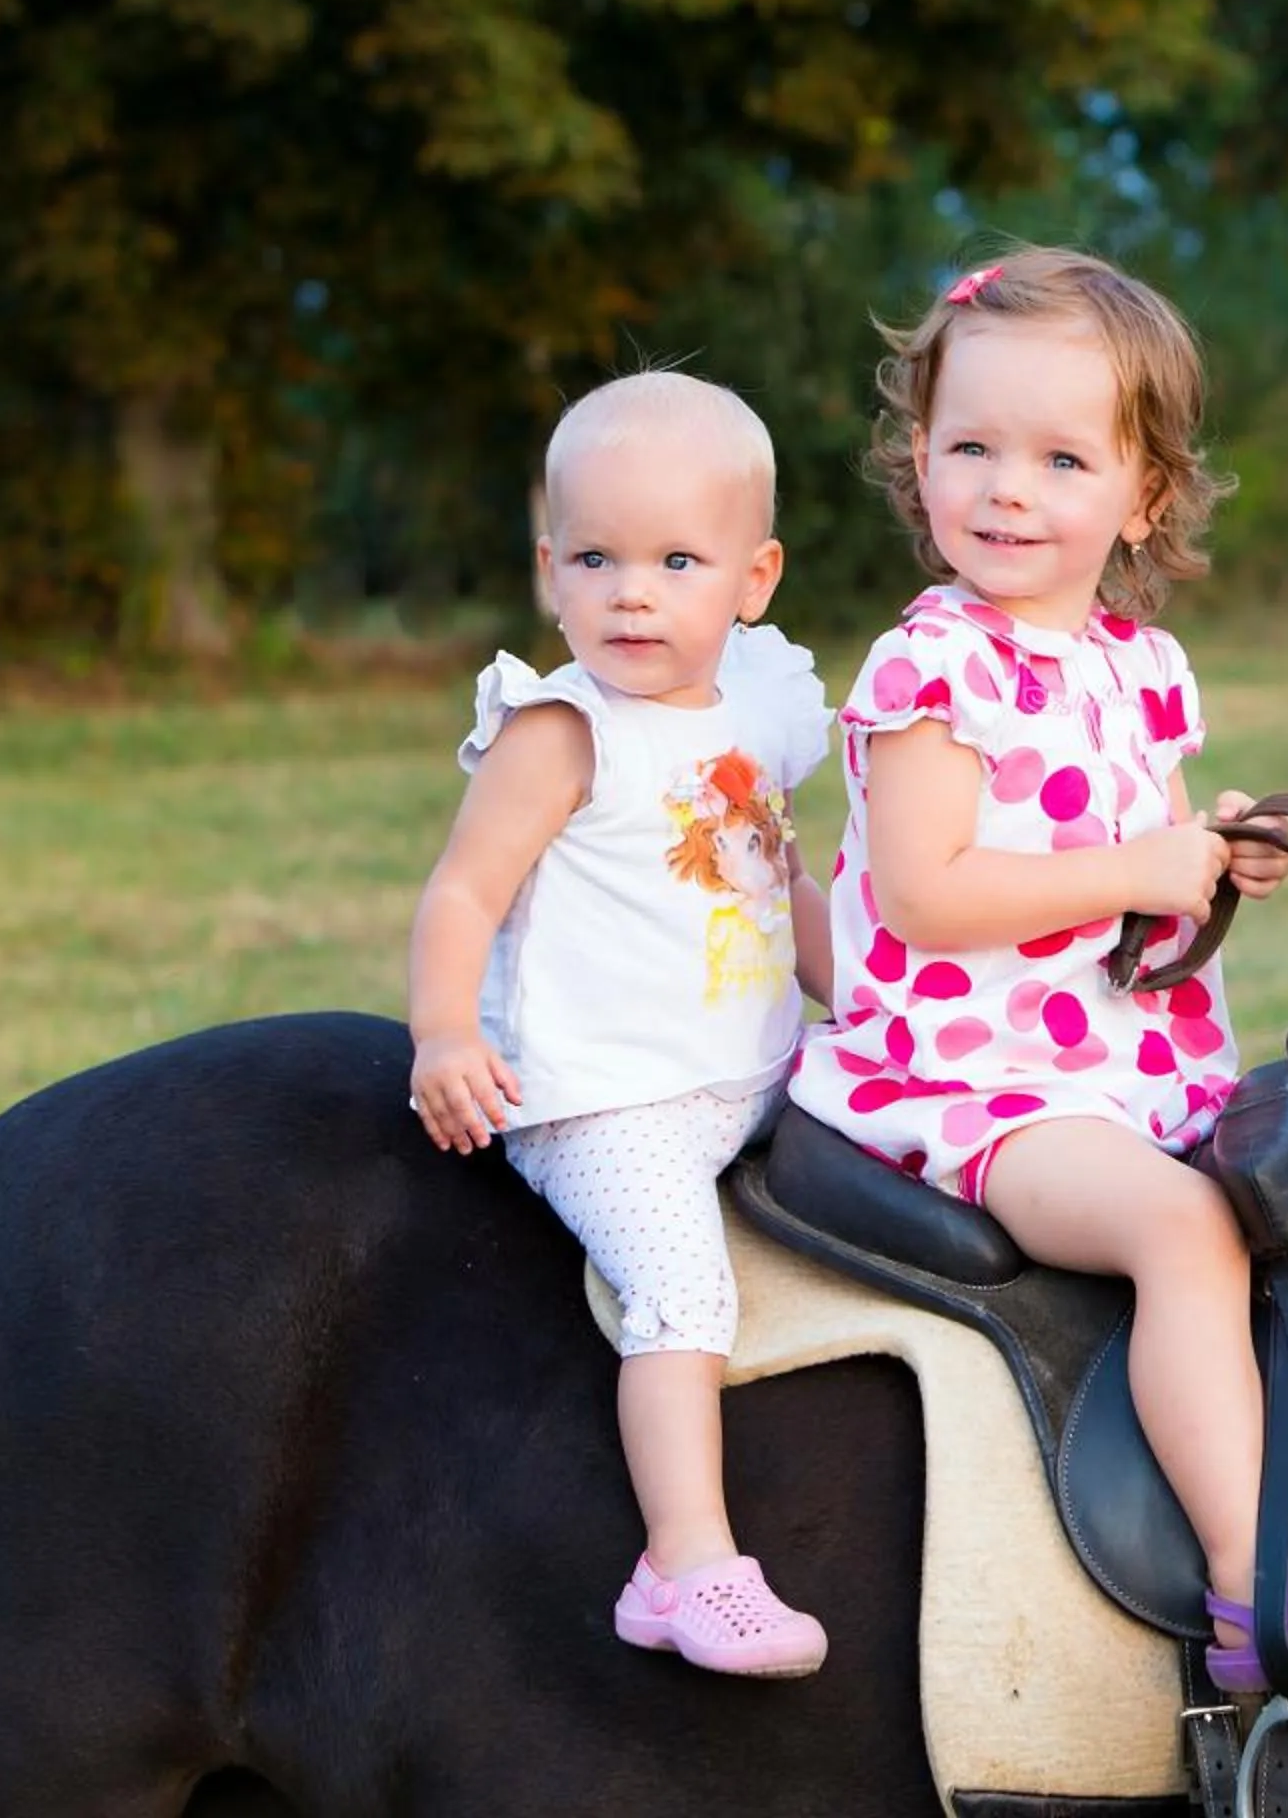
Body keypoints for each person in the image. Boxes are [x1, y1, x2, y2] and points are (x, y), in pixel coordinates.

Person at [787, 246, 1288, 1691]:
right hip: (969, 1077)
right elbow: (922, 894)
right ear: (921, 458)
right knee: (1183, 1231)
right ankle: (1253, 1588)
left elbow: (1137, 904)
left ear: (1144, 494)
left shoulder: (1139, 668)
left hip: (1111, 1055)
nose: (1007, 490)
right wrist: (1139, 870)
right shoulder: (930, 666)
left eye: (1060, 459)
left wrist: (1207, 870)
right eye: (971, 448)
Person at [408, 370, 836, 1679]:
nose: (632, 593)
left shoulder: (755, 709)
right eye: (596, 559)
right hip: (605, 1096)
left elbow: (782, 882)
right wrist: (443, 1035)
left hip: (750, 1066)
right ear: (552, 572)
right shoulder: (565, 729)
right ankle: (687, 1561)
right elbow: (464, 890)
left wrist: (871, 1002)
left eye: (676, 561)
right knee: (682, 1288)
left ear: (754, 580)